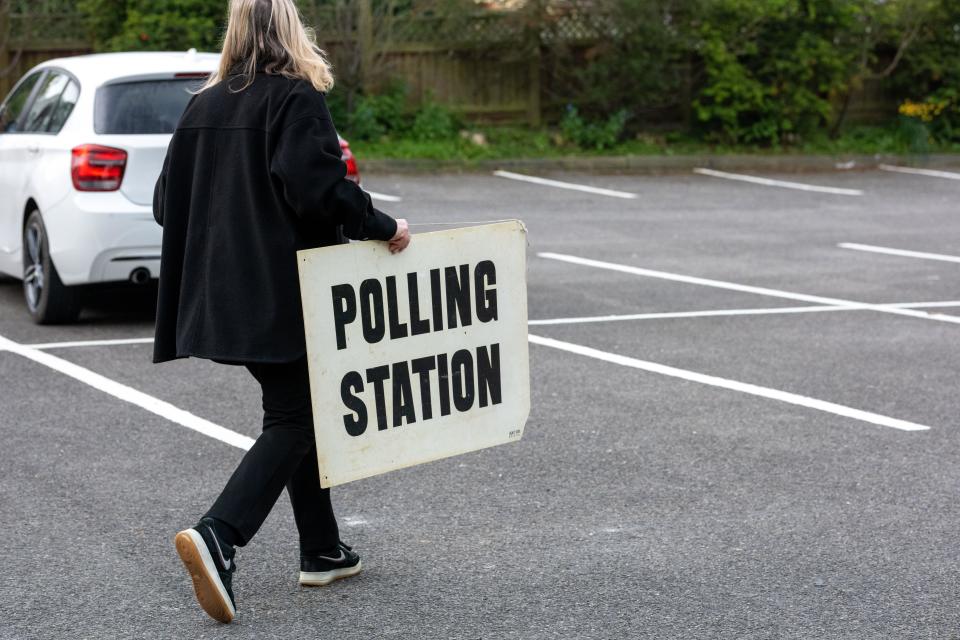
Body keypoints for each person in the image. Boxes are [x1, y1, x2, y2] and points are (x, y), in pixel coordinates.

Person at [152, 0, 411, 624]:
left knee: (301, 412)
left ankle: (322, 549)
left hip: (219, 300)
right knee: (296, 418)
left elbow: (165, 203)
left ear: (235, 32)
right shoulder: (294, 98)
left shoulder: (202, 105)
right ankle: (220, 534)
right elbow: (316, 189)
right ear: (292, 30)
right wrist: (383, 226)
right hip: (281, 296)